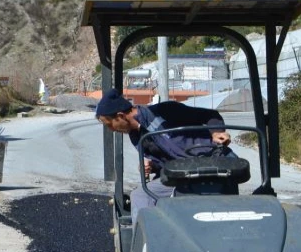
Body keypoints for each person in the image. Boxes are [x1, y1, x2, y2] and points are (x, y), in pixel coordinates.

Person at [94, 89, 232, 222]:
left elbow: (211, 115)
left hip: (211, 162)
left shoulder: (165, 111)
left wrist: (216, 132)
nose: (111, 129)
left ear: (120, 116)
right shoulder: (136, 135)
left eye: (109, 124)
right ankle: (149, 243)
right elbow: (166, 159)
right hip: (180, 175)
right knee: (141, 195)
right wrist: (152, 166)